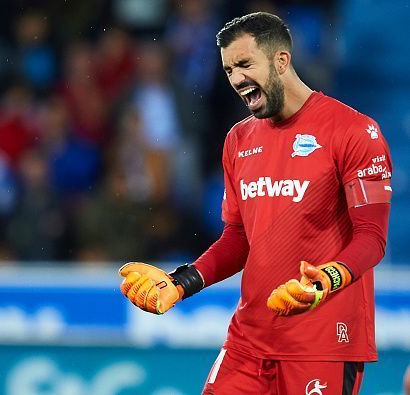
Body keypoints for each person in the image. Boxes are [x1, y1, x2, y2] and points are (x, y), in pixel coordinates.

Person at [119, 12, 392, 395]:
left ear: (281, 60)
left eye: (245, 64)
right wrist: (182, 283)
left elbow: (372, 237)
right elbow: (238, 239)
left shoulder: (353, 132)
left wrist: (327, 279)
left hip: (321, 345)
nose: (236, 79)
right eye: (229, 69)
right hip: (248, 343)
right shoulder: (238, 140)